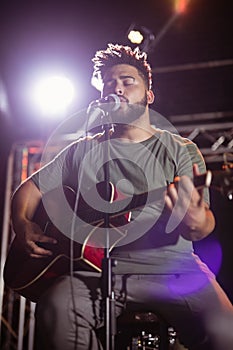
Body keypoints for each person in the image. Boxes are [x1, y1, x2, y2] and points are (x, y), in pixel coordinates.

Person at [8, 43, 233, 350]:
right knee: (56, 310)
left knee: (227, 330)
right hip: (97, 272)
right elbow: (30, 189)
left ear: (148, 96)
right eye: (109, 85)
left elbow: (201, 226)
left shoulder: (181, 150)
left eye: (128, 82)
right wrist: (22, 224)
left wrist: (194, 220)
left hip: (175, 269)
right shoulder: (82, 150)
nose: (118, 89)